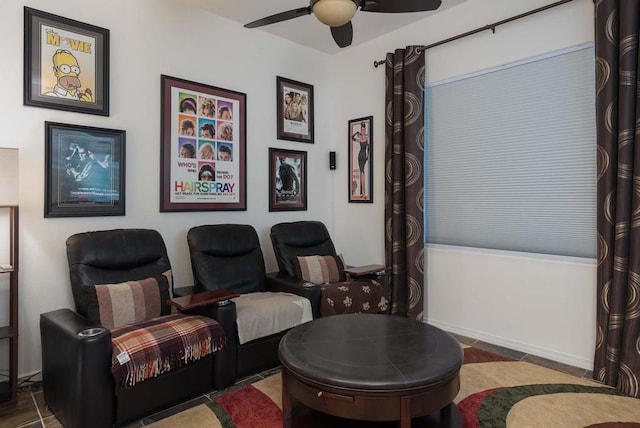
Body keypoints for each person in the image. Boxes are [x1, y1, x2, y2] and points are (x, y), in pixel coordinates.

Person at [353, 122, 370, 196]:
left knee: (363, 172)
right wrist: (356, 133)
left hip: (364, 154)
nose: (362, 130)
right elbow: (352, 138)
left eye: (363, 129)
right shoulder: (360, 138)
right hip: (360, 155)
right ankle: (363, 192)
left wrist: (368, 156)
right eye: (361, 129)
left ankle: (363, 191)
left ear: (365, 130)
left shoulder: (367, 137)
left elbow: (369, 147)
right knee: (361, 172)